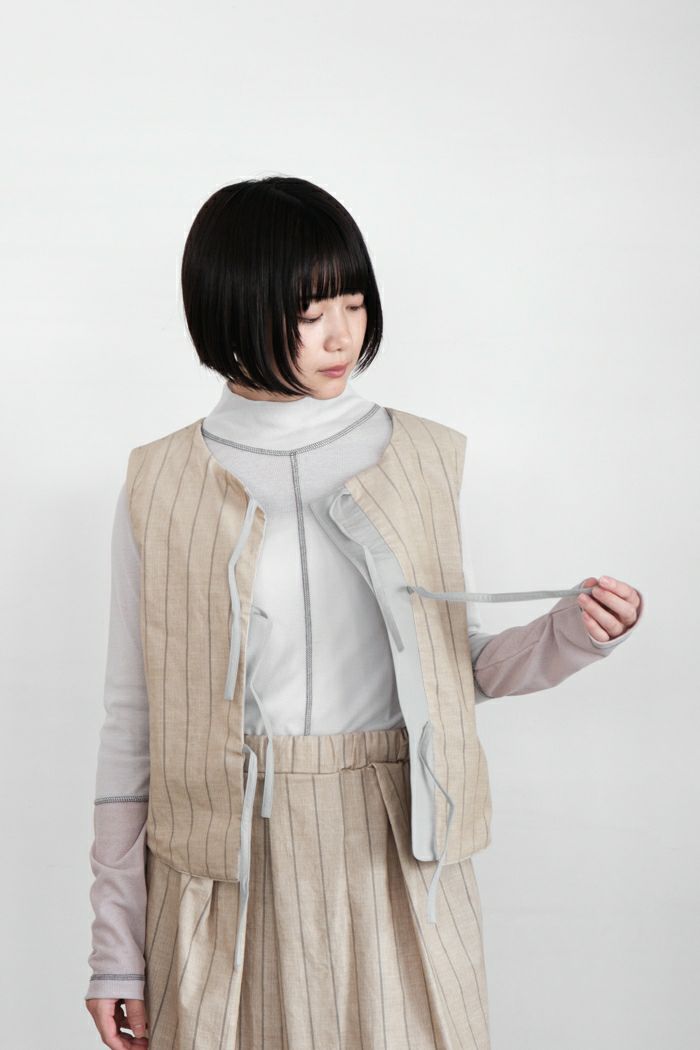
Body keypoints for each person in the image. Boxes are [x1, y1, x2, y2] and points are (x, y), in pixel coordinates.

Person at [84, 175, 644, 1050]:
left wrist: (571, 635)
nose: (342, 335)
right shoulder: (158, 483)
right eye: (309, 314)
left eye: (353, 303)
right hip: (224, 871)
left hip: (395, 843)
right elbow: (133, 726)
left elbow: (456, 668)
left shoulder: (416, 457)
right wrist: (115, 954)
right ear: (231, 309)